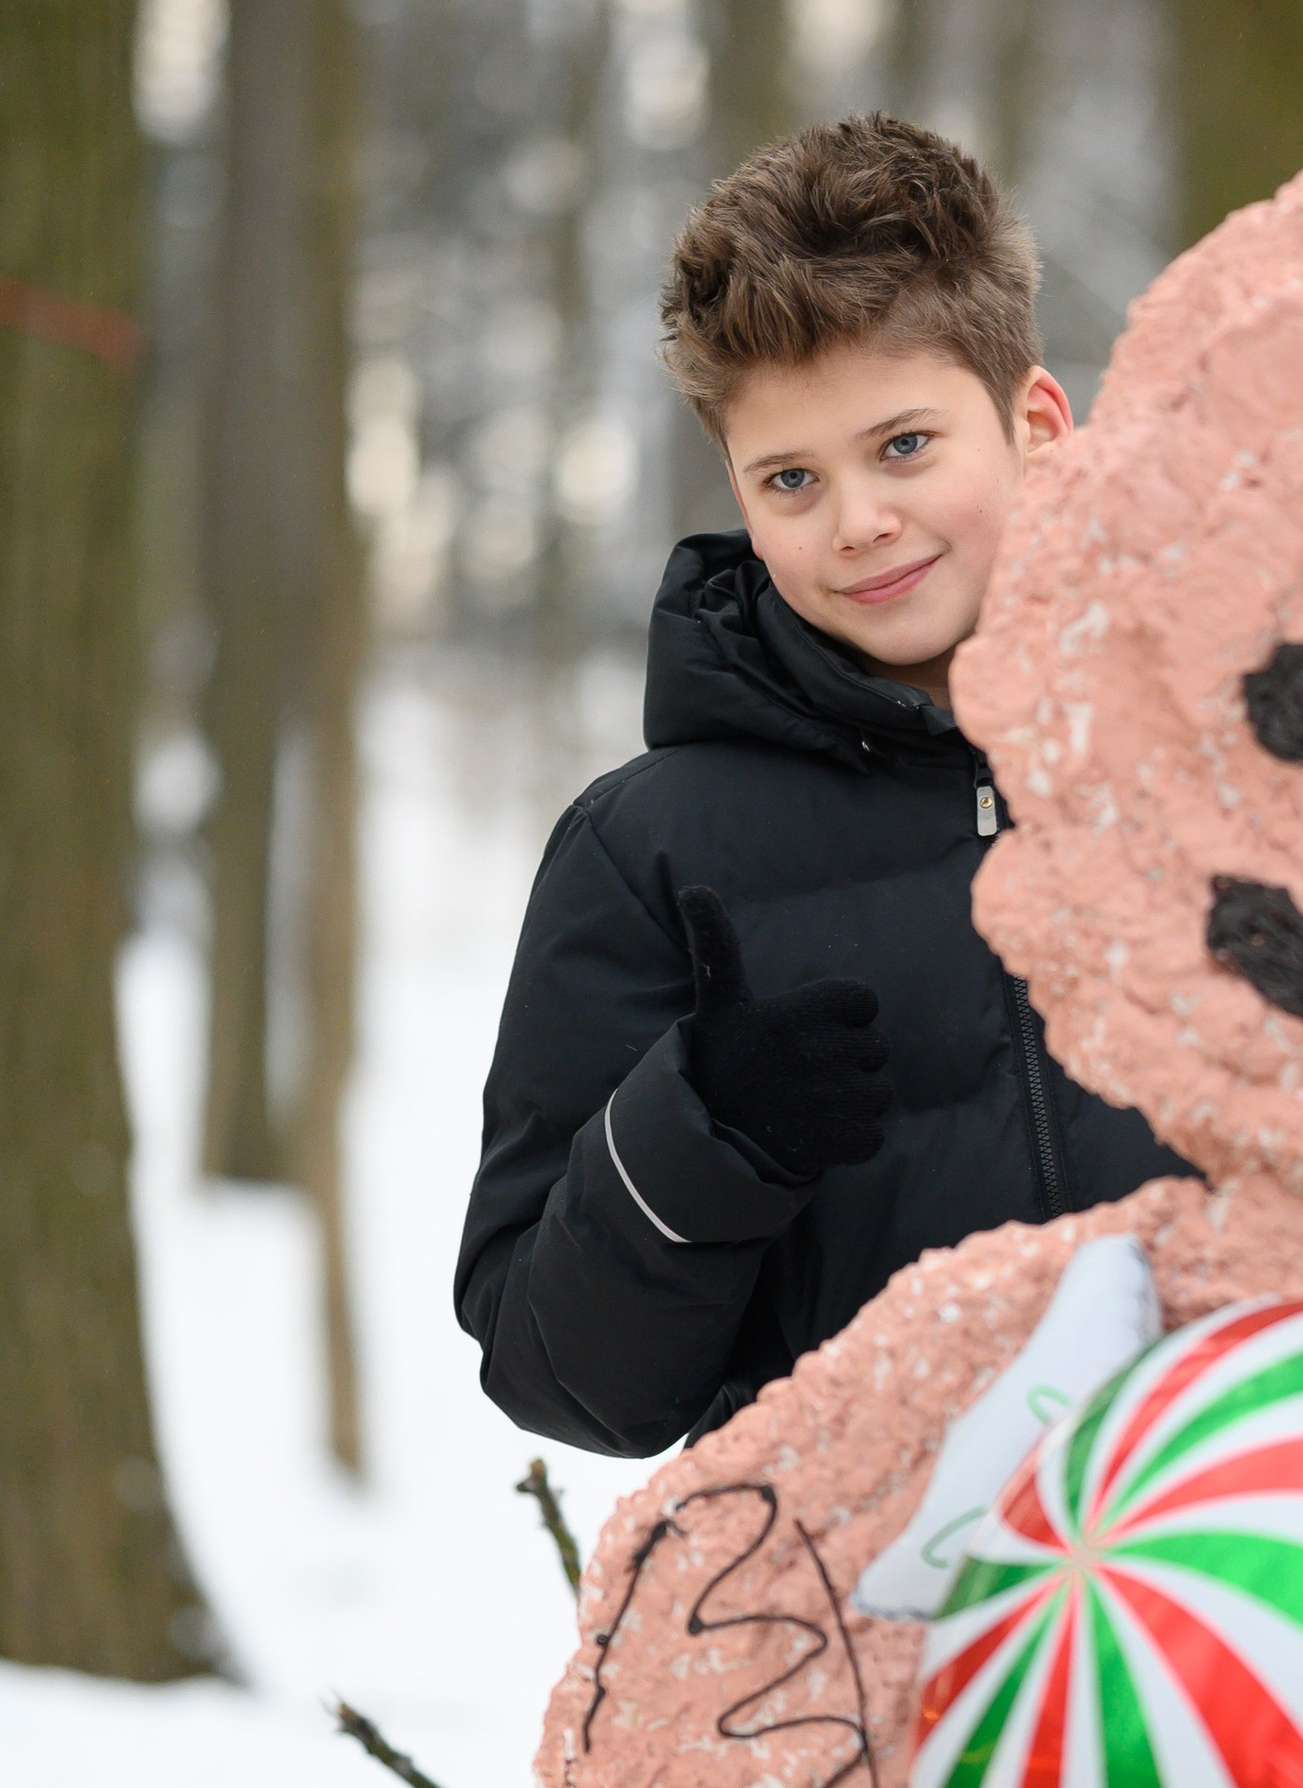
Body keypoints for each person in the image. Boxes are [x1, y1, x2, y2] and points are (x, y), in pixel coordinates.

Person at [455, 115, 1190, 1458]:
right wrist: (697, 1135)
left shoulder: (1243, 749)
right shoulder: (651, 851)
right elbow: (558, 1375)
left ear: (1035, 422)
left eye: (904, 446)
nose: (856, 521)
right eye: (791, 479)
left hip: (1267, 1566)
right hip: (863, 1620)